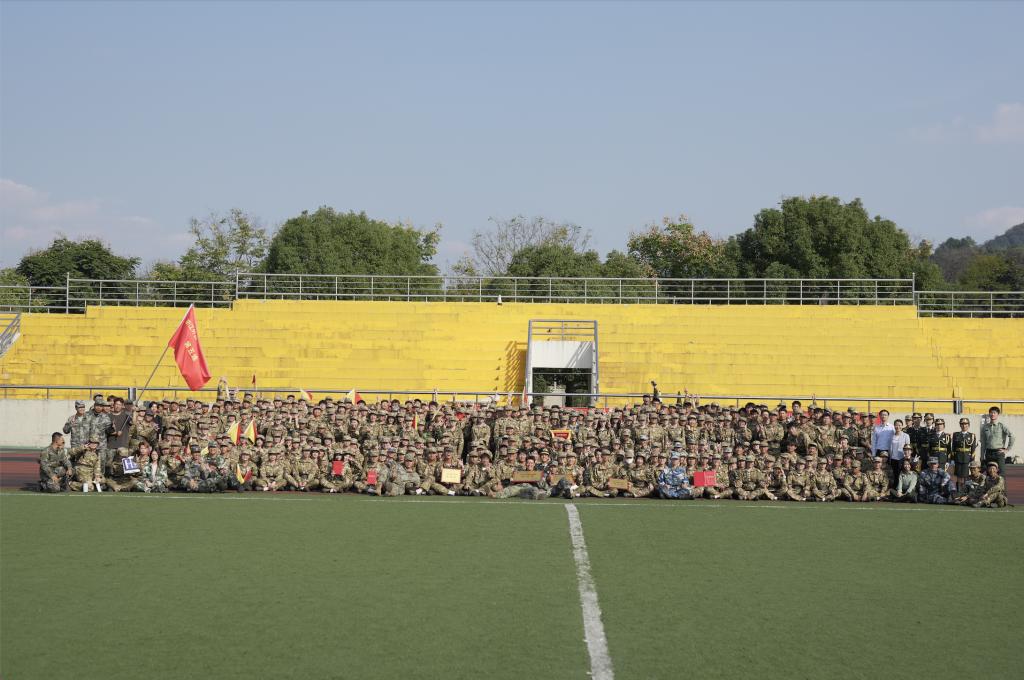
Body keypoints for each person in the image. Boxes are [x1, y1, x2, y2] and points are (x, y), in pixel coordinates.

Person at [980, 407, 1013, 475]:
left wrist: (1007, 449)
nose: (992, 414)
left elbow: (1012, 436)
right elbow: (983, 443)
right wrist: (982, 456)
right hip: (988, 453)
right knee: (989, 473)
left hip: (999, 453)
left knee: (1001, 473)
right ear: (989, 414)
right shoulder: (985, 427)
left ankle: (1001, 482)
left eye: (994, 413)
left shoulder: (1001, 426)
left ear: (997, 414)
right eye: (991, 413)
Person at [951, 417, 977, 489]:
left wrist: (972, 460)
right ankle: (958, 491)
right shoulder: (956, 434)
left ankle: (965, 491)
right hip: (958, 458)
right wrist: (952, 459)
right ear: (960, 425)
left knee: (966, 476)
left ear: (968, 425)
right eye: (962, 424)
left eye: (966, 424)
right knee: (958, 476)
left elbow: (973, 449)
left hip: (967, 458)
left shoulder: (972, 435)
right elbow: (953, 447)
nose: (964, 425)